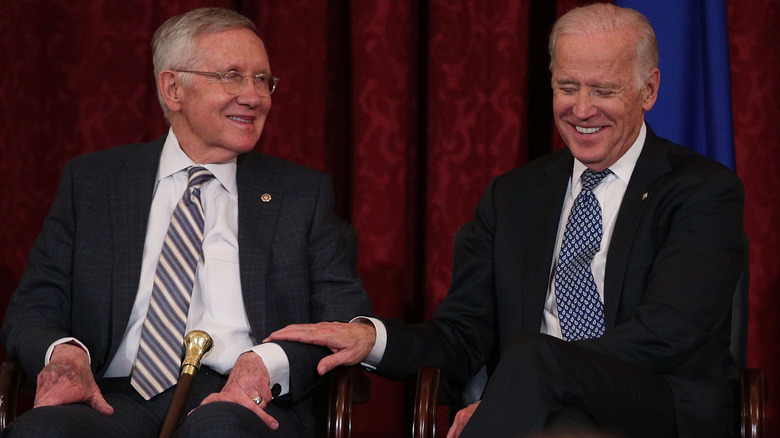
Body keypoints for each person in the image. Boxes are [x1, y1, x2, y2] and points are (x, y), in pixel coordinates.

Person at [268, 4, 745, 438]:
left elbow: (668, 333)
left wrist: (522, 387)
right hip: (536, 416)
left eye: (603, 90)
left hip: (654, 407)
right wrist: (373, 338)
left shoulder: (702, 191)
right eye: (567, 87)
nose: (581, 110)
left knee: (533, 357)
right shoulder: (514, 195)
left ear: (649, 89)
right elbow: (463, 335)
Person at [0, 7, 370, 438]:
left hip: (241, 400)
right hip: (112, 399)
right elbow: (33, 308)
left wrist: (263, 365)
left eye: (262, 79)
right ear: (173, 88)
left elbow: (342, 319)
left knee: (219, 430)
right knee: (41, 432)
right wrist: (64, 355)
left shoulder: (301, 194)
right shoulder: (95, 182)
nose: (253, 96)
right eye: (231, 76)